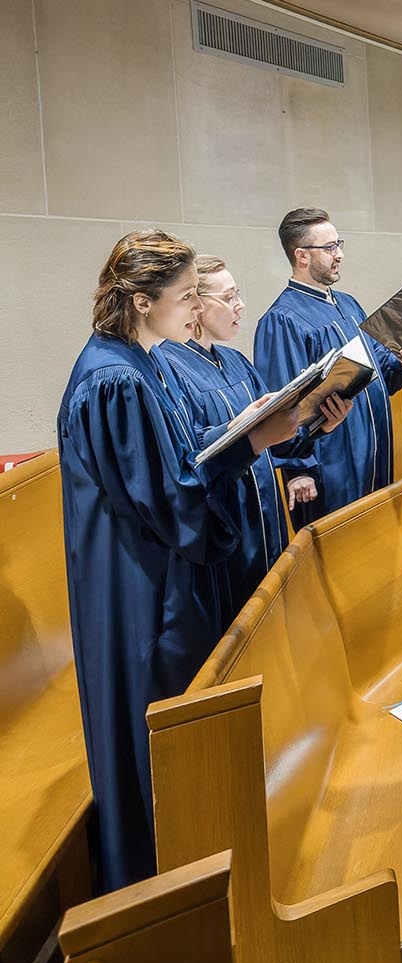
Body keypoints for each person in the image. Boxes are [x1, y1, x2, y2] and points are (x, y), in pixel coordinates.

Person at [60, 230, 300, 888]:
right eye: (188, 294)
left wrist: (238, 425)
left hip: (154, 568)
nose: (197, 307)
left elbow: (179, 448)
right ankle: (167, 887)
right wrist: (250, 444)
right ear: (142, 300)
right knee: (156, 734)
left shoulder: (143, 360)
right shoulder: (114, 379)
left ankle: (204, 861)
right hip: (139, 587)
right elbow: (167, 496)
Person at [157, 255, 347, 620]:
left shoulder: (236, 362)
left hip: (266, 515)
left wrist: (320, 424)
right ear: (196, 305)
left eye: (238, 294)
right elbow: (190, 454)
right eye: (228, 297)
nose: (240, 305)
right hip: (226, 521)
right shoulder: (170, 368)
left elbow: (279, 440)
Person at [253, 207, 402, 530]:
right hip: (332, 461)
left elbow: (380, 373)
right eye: (330, 247)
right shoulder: (282, 319)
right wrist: (297, 468)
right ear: (301, 255)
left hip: (373, 452)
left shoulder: (348, 304)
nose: (340, 255)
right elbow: (282, 401)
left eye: (338, 244)